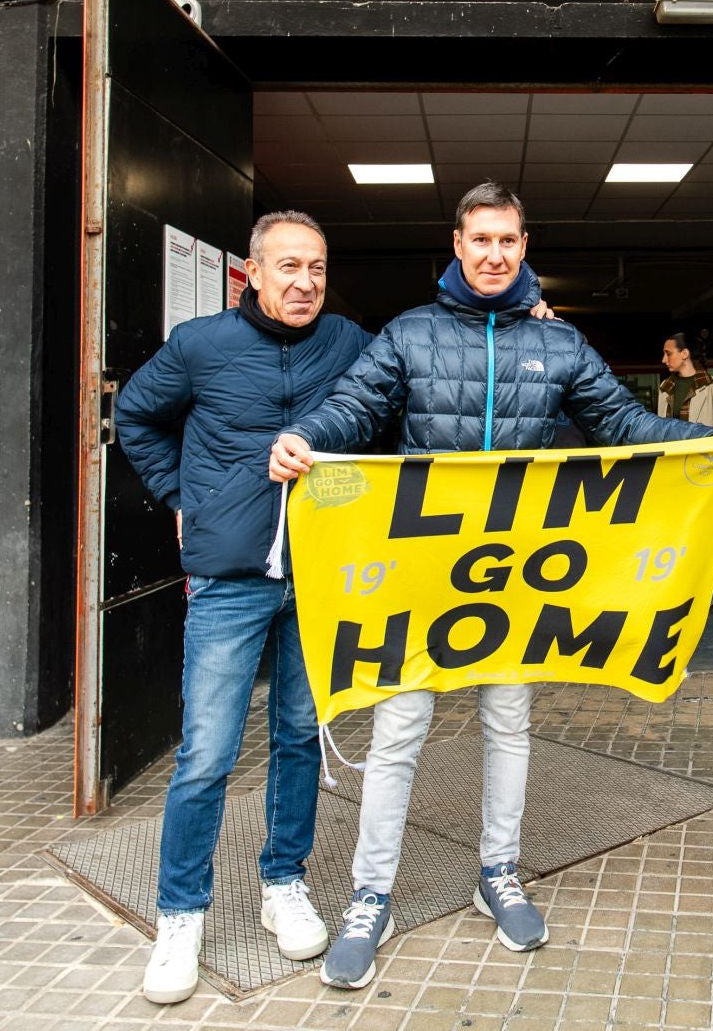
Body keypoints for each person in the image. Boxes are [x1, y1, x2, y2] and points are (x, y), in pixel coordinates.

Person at [270, 183, 713, 990]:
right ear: (456, 247)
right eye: (480, 240)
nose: (494, 254)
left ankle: (499, 873)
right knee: (399, 731)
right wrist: (303, 438)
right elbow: (352, 408)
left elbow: (626, 426)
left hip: (517, 584)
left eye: (507, 241)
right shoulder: (411, 333)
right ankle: (372, 894)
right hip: (421, 571)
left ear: (523, 247)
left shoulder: (560, 345)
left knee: (509, 724)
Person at [114, 212, 563, 1005]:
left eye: (316, 267)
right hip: (230, 575)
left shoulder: (351, 343)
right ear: (251, 272)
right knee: (208, 755)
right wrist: (188, 496)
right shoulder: (199, 345)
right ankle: (180, 916)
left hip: (326, 577)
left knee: (296, 736)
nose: (303, 282)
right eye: (287, 267)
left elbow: (410, 399)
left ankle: (283, 883)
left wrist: (527, 328)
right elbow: (137, 419)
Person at [659, 332, 713, 612]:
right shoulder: (664, 388)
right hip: (674, 473)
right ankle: (683, 591)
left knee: (712, 533)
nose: (664, 359)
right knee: (678, 534)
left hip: (707, 471)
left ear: (685, 354)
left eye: (668, 352)